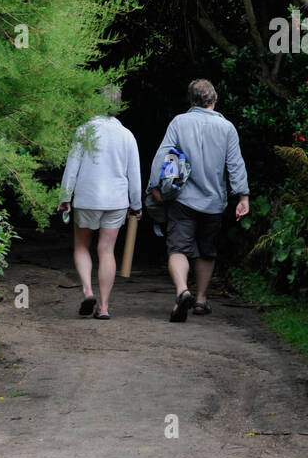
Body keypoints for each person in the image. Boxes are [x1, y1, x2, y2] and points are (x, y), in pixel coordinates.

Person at [148, 79, 249, 323]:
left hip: (182, 199)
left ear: (191, 100)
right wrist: (242, 195)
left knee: (177, 249)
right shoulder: (227, 128)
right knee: (207, 251)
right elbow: (235, 164)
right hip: (214, 202)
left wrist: (154, 186)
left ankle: (183, 290)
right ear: (213, 100)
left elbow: (163, 154)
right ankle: (201, 300)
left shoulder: (179, 122)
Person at [57, 88, 142, 321]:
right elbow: (134, 174)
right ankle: (103, 307)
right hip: (116, 201)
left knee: (82, 246)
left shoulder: (84, 130)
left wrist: (65, 197)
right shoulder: (127, 135)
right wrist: (136, 205)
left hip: (87, 197)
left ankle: (87, 291)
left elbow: (72, 167)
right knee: (106, 250)